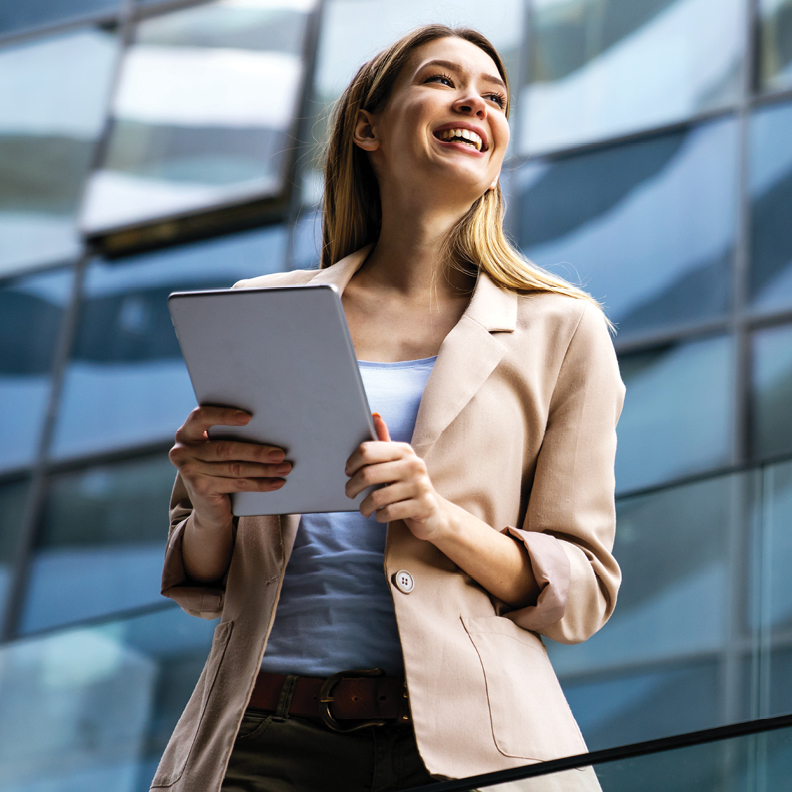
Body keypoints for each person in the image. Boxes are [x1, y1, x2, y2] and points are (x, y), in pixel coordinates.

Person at [152, 24, 625, 792]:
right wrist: (209, 505)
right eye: (441, 80)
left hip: (479, 747)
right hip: (261, 741)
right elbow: (203, 580)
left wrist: (437, 518)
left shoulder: (561, 329)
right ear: (367, 127)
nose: (475, 100)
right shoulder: (262, 311)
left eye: (495, 95)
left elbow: (582, 591)